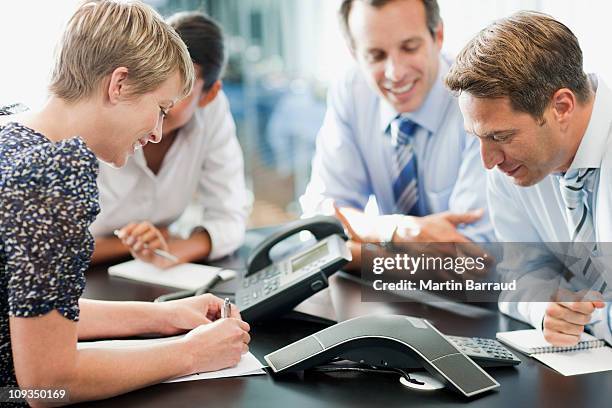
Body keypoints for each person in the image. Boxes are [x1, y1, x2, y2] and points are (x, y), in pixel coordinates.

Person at [0, 1, 250, 404]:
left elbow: (36, 309)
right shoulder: (55, 170)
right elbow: (47, 382)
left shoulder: (12, 135)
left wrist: (163, 316)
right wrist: (192, 353)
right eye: (160, 109)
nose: (156, 132)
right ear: (118, 85)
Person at [445, 11, 611, 346]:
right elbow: (520, 272)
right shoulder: (515, 167)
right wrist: (546, 307)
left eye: (501, 136)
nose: (488, 161)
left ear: (561, 107)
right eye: (477, 137)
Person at [300, 0, 494, 268]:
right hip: (387, 296)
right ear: (354, 54)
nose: (395, 73)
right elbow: (320, 221)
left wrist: (353, 250)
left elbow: (470, 263)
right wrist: (396, 231)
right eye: (376, 56)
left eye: (410, 47)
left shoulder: (478, 102)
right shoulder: (352, 91)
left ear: (437, 36)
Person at [91, 11, 249, 268]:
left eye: (182, 89)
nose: (160, 99)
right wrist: (138, 244)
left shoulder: (212, 112)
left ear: (208, 96)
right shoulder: (103, 111)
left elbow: (230, 217)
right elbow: (53, 248)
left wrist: (173, 251)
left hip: (151, 272)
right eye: (155, 81)